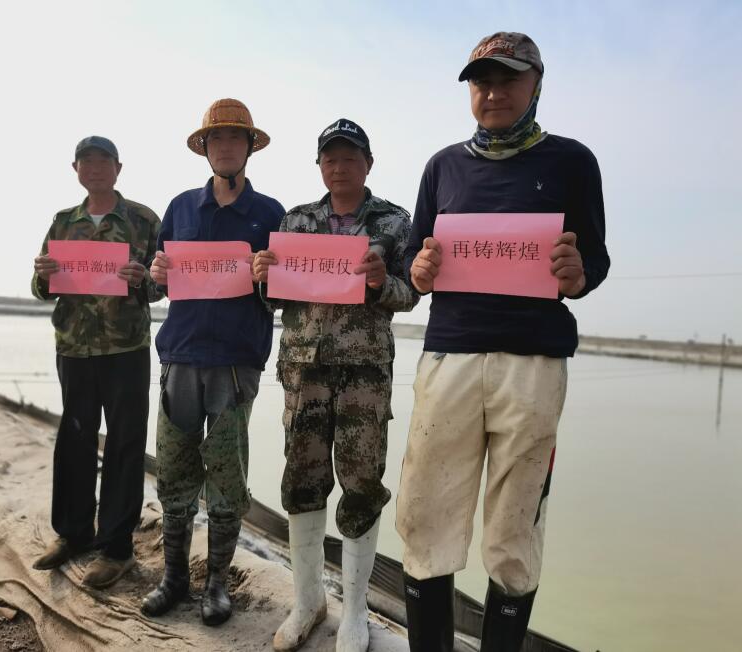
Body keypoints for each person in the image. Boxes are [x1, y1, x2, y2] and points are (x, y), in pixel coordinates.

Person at [395, 32, 610, 651]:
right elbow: (414, 257)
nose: (493, 93)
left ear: (536, 84)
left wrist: (577, 274)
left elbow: (594, 259)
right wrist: (419, 270)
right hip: (450, 358)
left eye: (508, 79)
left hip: (533, 362)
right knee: (425, 514)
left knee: (516, 523)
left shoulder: (573, 161)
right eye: (481, 82)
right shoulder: (442, 166)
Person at [252, 119, 418, 652]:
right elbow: (276, 297)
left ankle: (356, 611)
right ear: (320, 166)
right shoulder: (295, 220)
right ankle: (307, 602)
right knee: (302, 478)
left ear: (368, 164)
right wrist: (263, 276)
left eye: (349, 158)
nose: (339, 167)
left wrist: (381, 282)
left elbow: (411, 291)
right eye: (330, 159)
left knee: (361, 483)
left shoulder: (394, 221)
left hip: (365, 371)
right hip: (304, 367)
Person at [141, 99, 285, 626]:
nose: (225, 147)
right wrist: (156, 275)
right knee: (174, 471)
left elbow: (282, 297)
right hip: (180, 355)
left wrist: (269, 276)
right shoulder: (180, 208)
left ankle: (218, 583)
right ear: (205, 148)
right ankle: (174, 577)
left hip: (234, 362)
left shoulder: (271, 214)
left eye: (234, 138)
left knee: (227, 476)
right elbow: (158, 286)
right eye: (216, 139)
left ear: (249, 147)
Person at [31, 136, 161, 589]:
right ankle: (73, 534)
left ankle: (117, 548)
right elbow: (41, 286)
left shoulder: (143, 220)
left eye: (104, 161)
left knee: (125, 443)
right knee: (75, 439)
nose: (96, 168)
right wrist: (43, 275)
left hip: (125, 349)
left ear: (118, 168)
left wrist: (143, 279)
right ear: (76, 170)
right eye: (87, 162)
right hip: (74, 346)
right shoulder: (63, 221)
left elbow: (162, 285)